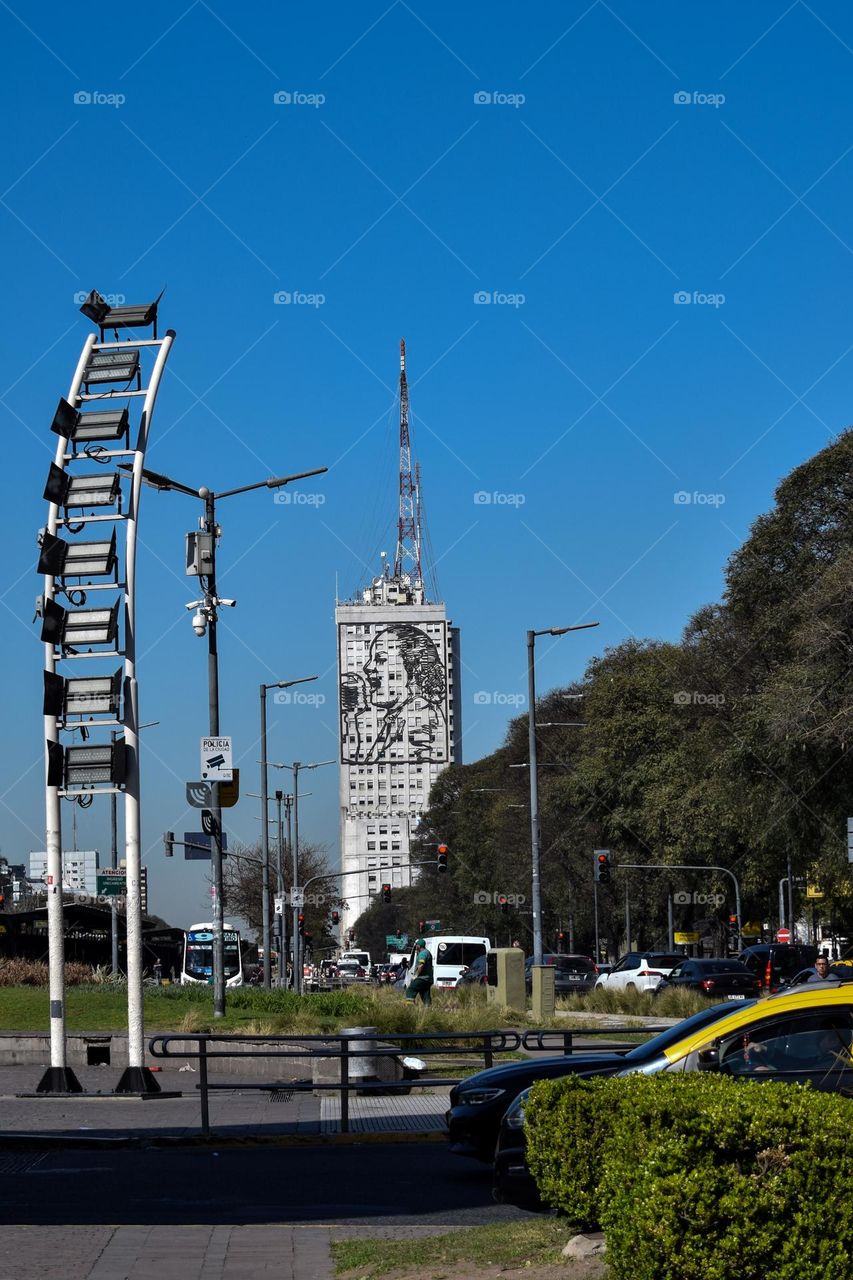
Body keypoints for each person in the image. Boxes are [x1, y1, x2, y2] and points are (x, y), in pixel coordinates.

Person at [405, 938, 434, 1006]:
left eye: (416, 945)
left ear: (419, 946)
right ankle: (428, 1009)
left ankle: (410, 1007)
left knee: (410, 990)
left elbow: (421, 965)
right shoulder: (426, 952)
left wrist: (416, 976)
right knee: (425, 994)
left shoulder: (423, 953)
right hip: (428, 979)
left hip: (422, 978)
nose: (415, 946)